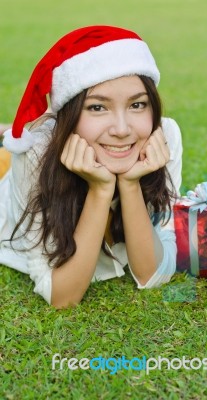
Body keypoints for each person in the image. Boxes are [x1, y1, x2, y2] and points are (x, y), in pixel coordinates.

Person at [0, 25, 182, 308]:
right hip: (11, 186)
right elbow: (63, 297)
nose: (122, 129)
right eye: (97, 107)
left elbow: (152, 275)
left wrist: (130, 184)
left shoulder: (164, 137)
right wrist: (100, 190)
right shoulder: (36, 153)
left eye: (137, 105)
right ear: (70, 114)